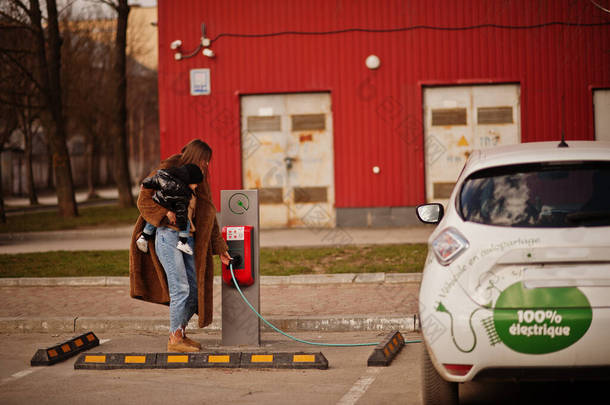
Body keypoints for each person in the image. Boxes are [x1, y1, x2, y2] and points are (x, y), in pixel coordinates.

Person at [129, 139, 231, 353]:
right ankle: (174, 338)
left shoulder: (197, 179)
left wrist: (221, 248)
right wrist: (164, 214)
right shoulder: (168, 169)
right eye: (205, 160)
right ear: (196, 156)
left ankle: (181, 334)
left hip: (189, 239)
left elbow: (208, 217)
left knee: (194, 291)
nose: (207, 165)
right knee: (181, 288)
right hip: (168, 236)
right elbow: (144, 200)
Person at [136, 163, 204, 256]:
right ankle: (183, 243)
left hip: (159, 201)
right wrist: (182, 227)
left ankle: (144, 237)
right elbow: (181, 212)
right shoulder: (183, 193)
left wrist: (145, 184)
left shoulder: (165, 176)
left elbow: (153, 180)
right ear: (189, 180)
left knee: (153, 220)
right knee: (185, 220)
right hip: (171, 207)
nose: (196, 186)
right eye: (195, 183)